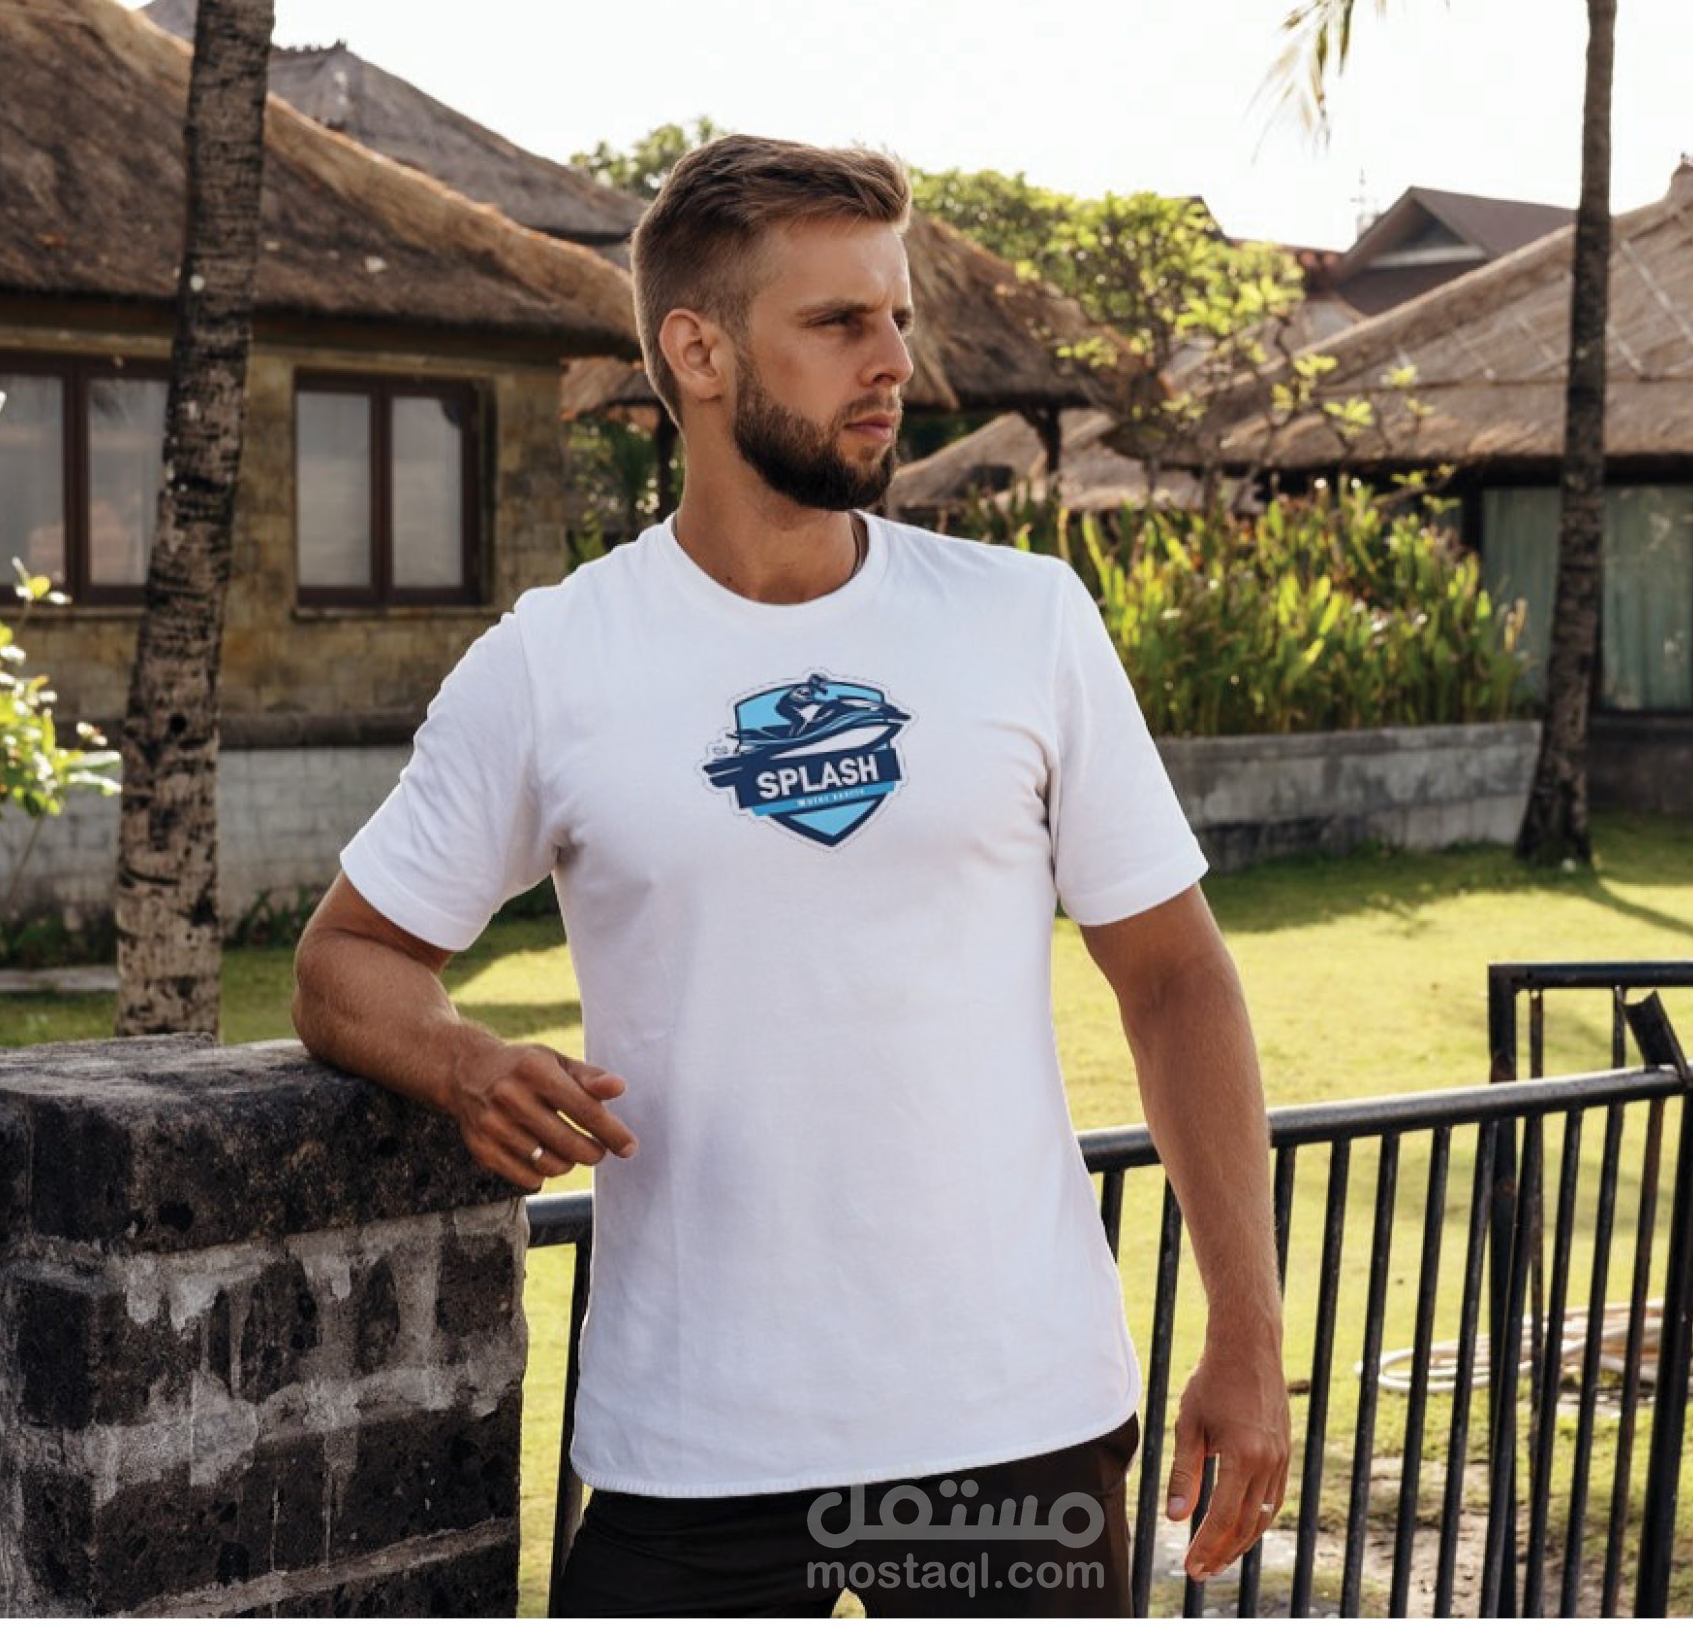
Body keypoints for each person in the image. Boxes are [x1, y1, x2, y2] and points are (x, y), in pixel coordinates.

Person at [291, 134, 1288, 1617]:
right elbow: (343, 960)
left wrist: (1248, 1334)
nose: (893, 361)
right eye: (837, 322)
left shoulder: (1025, 623)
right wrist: (463, 1062)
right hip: (692, 1444)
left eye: (897, 316)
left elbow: (1175, 977)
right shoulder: (555, 662)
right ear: (697, 352)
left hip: (1011, 1422)